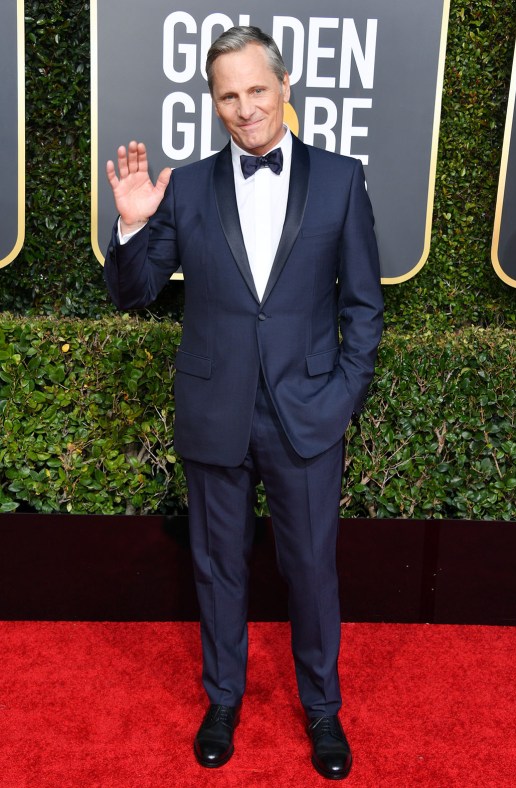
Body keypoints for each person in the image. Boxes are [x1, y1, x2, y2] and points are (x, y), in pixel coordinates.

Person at [104, 26, 383, 781]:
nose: (245, 107)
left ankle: (322, 710)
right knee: (217, 567)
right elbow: (134, 294)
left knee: (311, 569)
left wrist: (340, 397)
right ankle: (222, 700)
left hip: (307, 416)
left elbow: (363, 307)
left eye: (257, 89)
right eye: (228, 95)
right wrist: (132, 223)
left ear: (285, 87)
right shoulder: (187, 187)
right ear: (214, 102)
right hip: (214, 411)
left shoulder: (339, 179)